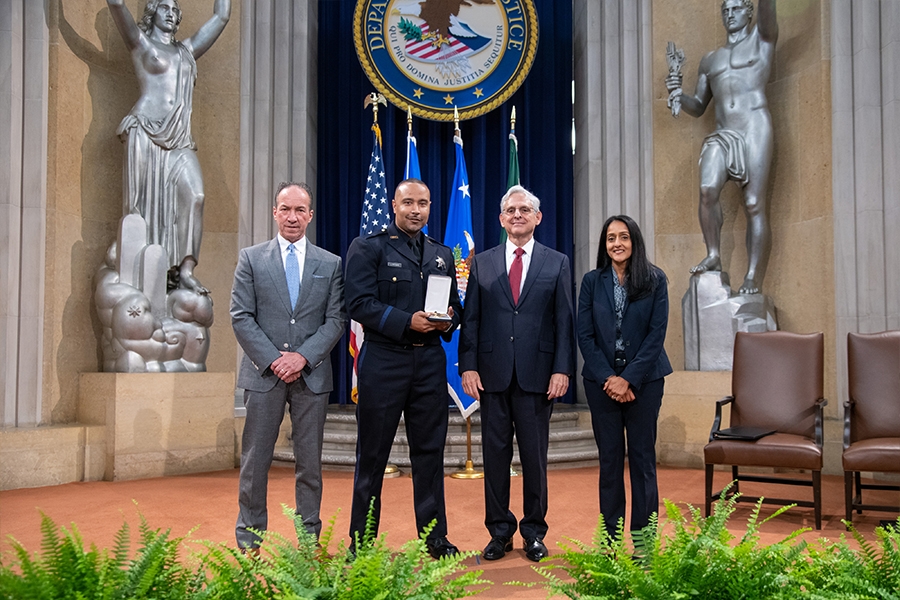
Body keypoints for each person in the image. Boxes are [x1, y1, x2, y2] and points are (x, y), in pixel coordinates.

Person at [344, 178, 463, 559]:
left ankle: (435, 538)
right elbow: (358, 303)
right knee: (373, 456)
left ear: (430, 207)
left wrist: (448, 320)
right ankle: (361, 544)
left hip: (429, 362)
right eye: (409, 202)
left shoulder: (442, 254)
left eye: (423, 203)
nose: (416, 210)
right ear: (394, 205)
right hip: (384, 360)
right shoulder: (368, 248)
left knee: (429, 455)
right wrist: (405, 321)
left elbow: (456, 308)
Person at [459, 185, 574, 562]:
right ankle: (499, 532)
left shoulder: (556, 262)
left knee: (534, 459)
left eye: (525, 209)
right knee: (494, 458)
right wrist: (468, 366)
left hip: (538, 377)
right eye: (510, 210)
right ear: (501, 218)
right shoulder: (483, 262)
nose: (517, 215)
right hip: (491, 376)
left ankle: (534, 532)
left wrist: (561, 369)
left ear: (537, 217)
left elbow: (564, 322)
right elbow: (471, 319)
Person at [231, 182, 346, 551]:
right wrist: (275, 360)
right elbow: (241, 316)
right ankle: (250, 539)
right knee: (254, 462)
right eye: (286, 209)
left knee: (309, 465)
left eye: (301, 210)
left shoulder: (331, 264)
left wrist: (302, 357)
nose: (293, 217)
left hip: (311, 377)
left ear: (310, 215)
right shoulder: (251, 258)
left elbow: (335, 321)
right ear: (275, 212)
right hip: (264, 375)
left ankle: (309, 538)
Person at [107, 0, 231, 294]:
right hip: (144, 133)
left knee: (196, 194)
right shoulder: (140, 44)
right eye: (165, 7)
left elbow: (222, 16)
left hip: (179, 140)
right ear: (152, 13)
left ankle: (185, 269)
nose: (172, 13)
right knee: (138, 211)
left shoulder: (187, 50)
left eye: (176, 10)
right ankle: (138, 269)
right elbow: (115, 3)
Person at [666, 0, 778, 295]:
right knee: (707, 189)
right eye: (725, 10)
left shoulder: (761, 39)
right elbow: (699, 105)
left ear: (749, 11)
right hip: (723, 132)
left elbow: (769, 8)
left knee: (754, 204)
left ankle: (752, 276)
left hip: (754, 126)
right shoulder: (710, 59)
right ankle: (714, 254)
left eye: (736, 9)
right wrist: (678, 94)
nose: (730, 14)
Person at [577, 215, 672, 538]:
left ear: (635, 242)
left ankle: (644, 540)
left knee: (643, 461)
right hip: (601, 384)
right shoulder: (592, 281)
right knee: (610, 463)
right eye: (611, 238)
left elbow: (656, 336)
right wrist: (609, 378)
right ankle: (611, 539)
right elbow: (585, 335)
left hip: (645, 383)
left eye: (624, 237)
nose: (617, 244)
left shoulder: (655, 279)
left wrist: (628, 379)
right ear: (605, 245)